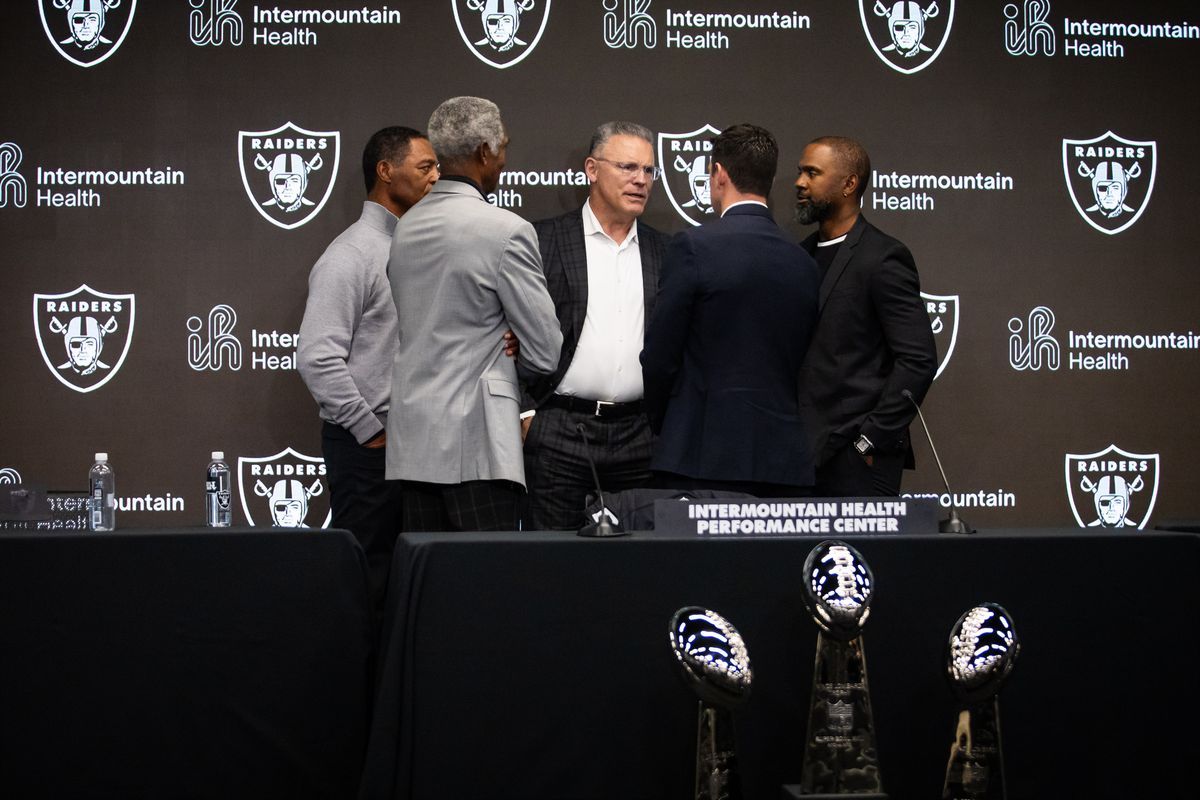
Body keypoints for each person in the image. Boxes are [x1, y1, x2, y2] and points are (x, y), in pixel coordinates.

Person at [385, 97, 562, 532]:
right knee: (484, 591)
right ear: (485, 152)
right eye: (503, 145)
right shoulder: (506, 230)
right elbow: (545, 351)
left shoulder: (405, 227)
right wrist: (515, 341)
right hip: (478, 449)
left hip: (413, 443)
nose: (504, 157)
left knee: (429, 587)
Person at [297, 126, 438, 610]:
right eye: (425, 167)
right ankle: (360, 686)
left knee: (410, 582)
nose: (436, 178)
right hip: (369, 446)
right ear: (385, 171)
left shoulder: (419, 247)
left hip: (417, 444)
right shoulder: (351, 254)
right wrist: (369, 430)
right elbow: (316, 355)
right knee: (369, 582)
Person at [641, 124, 820, 497]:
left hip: (700, 455)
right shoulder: (803, 261)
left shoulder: (693, 246)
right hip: (783, 460)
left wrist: (668, 421)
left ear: (719, 174)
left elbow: (660, 356)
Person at [519, 122, 668, 530]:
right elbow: (502, 332)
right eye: (627, 167)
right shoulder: (542, 240)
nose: (641, 180)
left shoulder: (667, 250)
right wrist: (524, 414)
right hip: (559, 431)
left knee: (638, 572)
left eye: (649, 170)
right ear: (591, 169)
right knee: (552, 568)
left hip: (641, 437)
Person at [794, 135, 937, 497]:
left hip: (858, 458)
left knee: (862, 556)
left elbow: (918, 359)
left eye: (812, 173)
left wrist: (870, 440)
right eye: (801, 172)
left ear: (849, 183)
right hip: (800, 456)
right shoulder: (799, 256)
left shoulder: (883, 257)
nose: (800, 182)